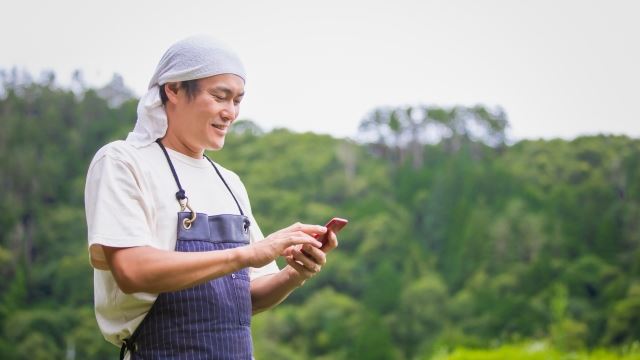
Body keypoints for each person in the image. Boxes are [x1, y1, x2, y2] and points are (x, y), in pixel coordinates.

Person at [84, 35, 338, 359]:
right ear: (173, 89)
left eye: (237, 101)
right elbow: (132, 271)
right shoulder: (123, 161)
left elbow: (245, 297)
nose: (230, 112)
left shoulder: (229, 182)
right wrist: (247, 254)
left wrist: (295, 273)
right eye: (220, 96)